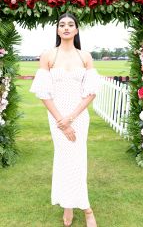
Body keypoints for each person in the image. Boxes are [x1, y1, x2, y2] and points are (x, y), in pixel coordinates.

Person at [29, 13, 100, 227]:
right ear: (58, 30)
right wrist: (61, 120)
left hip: (78, 117)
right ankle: (69, 205)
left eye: (71, 25)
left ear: (76, 30)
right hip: (57, 118)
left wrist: (71, 117)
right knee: (63, 160)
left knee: (78, 161)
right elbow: (43, 92)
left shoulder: (85, 56)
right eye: (62, 25)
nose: (66, 27)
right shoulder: (48, 56)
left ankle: (86, 208)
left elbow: (91, 92)